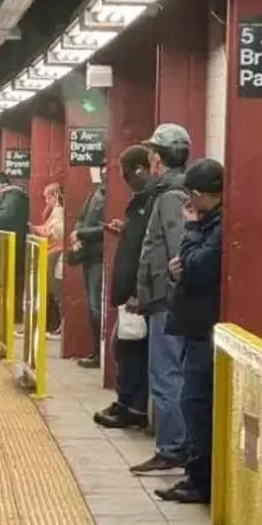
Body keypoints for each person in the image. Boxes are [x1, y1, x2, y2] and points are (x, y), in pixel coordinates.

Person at [155, 157, 224, 504]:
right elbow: (183, 266)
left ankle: (200, 479)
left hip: (204, 329)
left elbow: (195, 267)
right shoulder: (210, 224)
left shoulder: (215, 227)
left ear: (199, 195)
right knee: (193, 400)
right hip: (196, 327)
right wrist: (175, 269)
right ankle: (196, 474)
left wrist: (191, 231)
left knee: (196, 403)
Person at [130, 123, 191, 474]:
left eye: (152, 152)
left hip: (166, 302)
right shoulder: (175, 190)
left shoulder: (169, 195)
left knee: (166, 375)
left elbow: (176, 249)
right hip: (168, 299)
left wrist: (158, 290)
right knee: (172, 373)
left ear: (157, 157)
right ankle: (176, 445)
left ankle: (171, 448)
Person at [93, 145, 158, 429]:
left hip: (139, 292)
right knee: (127, 347)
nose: (123, 179)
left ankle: (131, 406)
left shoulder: (153, 199)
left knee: (129, 348)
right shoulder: (142, 200)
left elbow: (149, 250)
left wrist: (136, 292)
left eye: (124, 173)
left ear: (140, 170)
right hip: (133, 290)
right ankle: (130, 403)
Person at [69, 164, 107, 367]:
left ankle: (100, 354)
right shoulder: (94, 194)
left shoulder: (112, 197)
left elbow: (106, 226)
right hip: (89, 255)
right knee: (92, 305)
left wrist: (82, 234)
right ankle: (95, 352)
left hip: (101, 257)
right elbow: (81, 217)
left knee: (96, 306)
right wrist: (77, 233)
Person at [20, 182, 65, 337]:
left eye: (47, 197)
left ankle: (61, 326)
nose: (46, 201)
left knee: (56, 291)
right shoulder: (55, 212)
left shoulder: (58, 212)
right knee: (53, 292)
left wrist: (36, 229)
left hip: (54, 253)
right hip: (52, 252)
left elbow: (56, 232)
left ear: (55, 196)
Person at [0, 172, 30, 321]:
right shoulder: (14, 198)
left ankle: (5, 314)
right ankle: (7, 313)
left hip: (10, 247)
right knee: (10, 280)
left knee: (6, 281)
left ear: (0, 186)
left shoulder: (12, 198)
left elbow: (6, 218)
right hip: (14, 245)